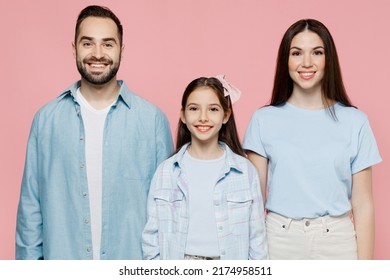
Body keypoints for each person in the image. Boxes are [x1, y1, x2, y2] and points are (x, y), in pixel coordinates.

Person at [16, 5, 174, 260]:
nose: (98, 54)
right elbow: (30, 212)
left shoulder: (153, 120)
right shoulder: (46, 120)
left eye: (108, 44)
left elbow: (168, 212)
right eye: (88, 43)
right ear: (74, 48)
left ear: (121, 50)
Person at [243, 19, 382, 260]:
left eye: (317, 52)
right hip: (279, 239)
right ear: (285, 59)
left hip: (337, 240)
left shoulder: (355, 121)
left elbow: (363, 204)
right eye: (296, 53)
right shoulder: (263, 119)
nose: (306, 63)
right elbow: (254, 202)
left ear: (329, 59)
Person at [142, 75, 268, 260]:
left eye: (213, 109)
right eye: (194, 109)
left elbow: (257, 240)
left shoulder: (245, 172)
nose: (203, 117)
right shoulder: (166, 171)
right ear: (183, 115)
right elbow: (151, 238)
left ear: (226, 115)